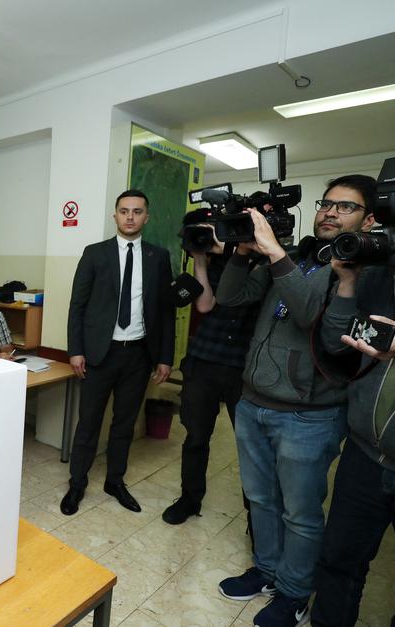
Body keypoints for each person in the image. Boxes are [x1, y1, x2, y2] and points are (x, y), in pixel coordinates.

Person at [215, 175, 376, 627]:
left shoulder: (360, 270)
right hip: (253, 401)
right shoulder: (303, 256)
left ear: (370, 219)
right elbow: (230, 297)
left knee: (300, 513)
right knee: (260, 499)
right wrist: (243, 253)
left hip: (309, 416)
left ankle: (294, 591)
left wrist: (274, 253)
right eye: (327, 203)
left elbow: (310, 316)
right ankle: (268, 571)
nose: (329, 212)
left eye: (346, 207)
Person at [312, 185, 395, 626]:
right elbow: (335, 344)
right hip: (364, 456)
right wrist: (349, 280)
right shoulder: (379, 274)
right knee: (338, 566)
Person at [61, 189, 175, 516]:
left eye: (137, 211)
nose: (130, 217)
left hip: (138, 355)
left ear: (146, 217)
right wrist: (76, 350)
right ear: (115, 215)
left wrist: (164, 356)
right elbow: (77, 306)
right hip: (99, 354)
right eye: (124, 211)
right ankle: (77, 483)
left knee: (124, 424)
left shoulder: (158, 257)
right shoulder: (95, 254)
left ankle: (115, 480)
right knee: (89, 424)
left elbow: (165, 312)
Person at [162, 228, 259, 525]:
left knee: (251, 446)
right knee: (196, 436)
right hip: (204, 359)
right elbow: (204, 305)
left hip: (245, 366)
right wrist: (202, 260)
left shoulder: (270, 263)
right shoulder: (217, 264)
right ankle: (190, 499)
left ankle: (257, 515)